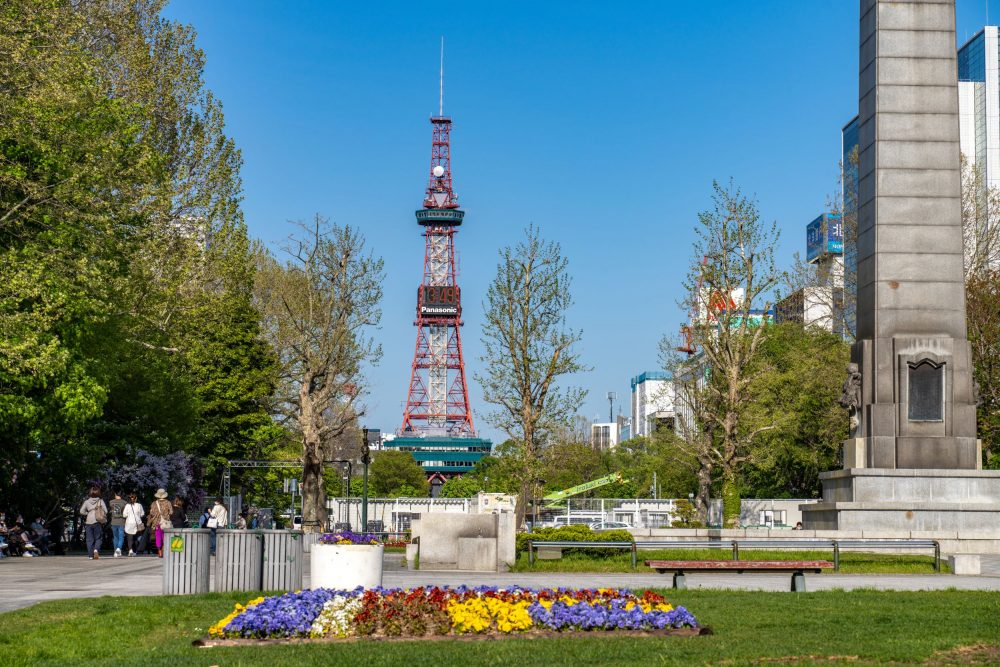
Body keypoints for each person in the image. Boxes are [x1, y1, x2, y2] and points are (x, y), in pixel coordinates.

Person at [79, 487, 108, 559]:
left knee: (89, 539)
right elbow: (106, 511)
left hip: (88, 522)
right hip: (97, 521)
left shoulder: (86, 502)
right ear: (98, 493)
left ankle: (90, 555)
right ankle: (96, 550)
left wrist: (88, 513)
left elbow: (81, 511)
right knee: (98, 538)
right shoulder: (101, 501)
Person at [147, 488, 173, 559]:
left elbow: (151, 513)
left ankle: (160, 552)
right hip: (165, 523)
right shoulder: (168, 502)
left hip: (157, 523)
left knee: (158, 537)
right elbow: (171, 512)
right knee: (165, 537)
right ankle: (165, 552)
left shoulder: (154, 503)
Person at [123, 492, 145, 557]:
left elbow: (124, 515)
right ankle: (135, 551)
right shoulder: (139, 505)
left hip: (129, 523)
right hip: (137, 523)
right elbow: (142, 514)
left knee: (129, 538)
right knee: (135, 538)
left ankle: (130, 550)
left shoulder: (127, 506)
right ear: (136, 498)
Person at [108, 491, 127, 558]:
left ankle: (115, 552)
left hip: (114, 521)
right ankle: (119, 548)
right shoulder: (124, 503)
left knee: (115, 537)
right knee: (121, 536)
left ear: (115, 494)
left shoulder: (111, 502)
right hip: (121, 521)